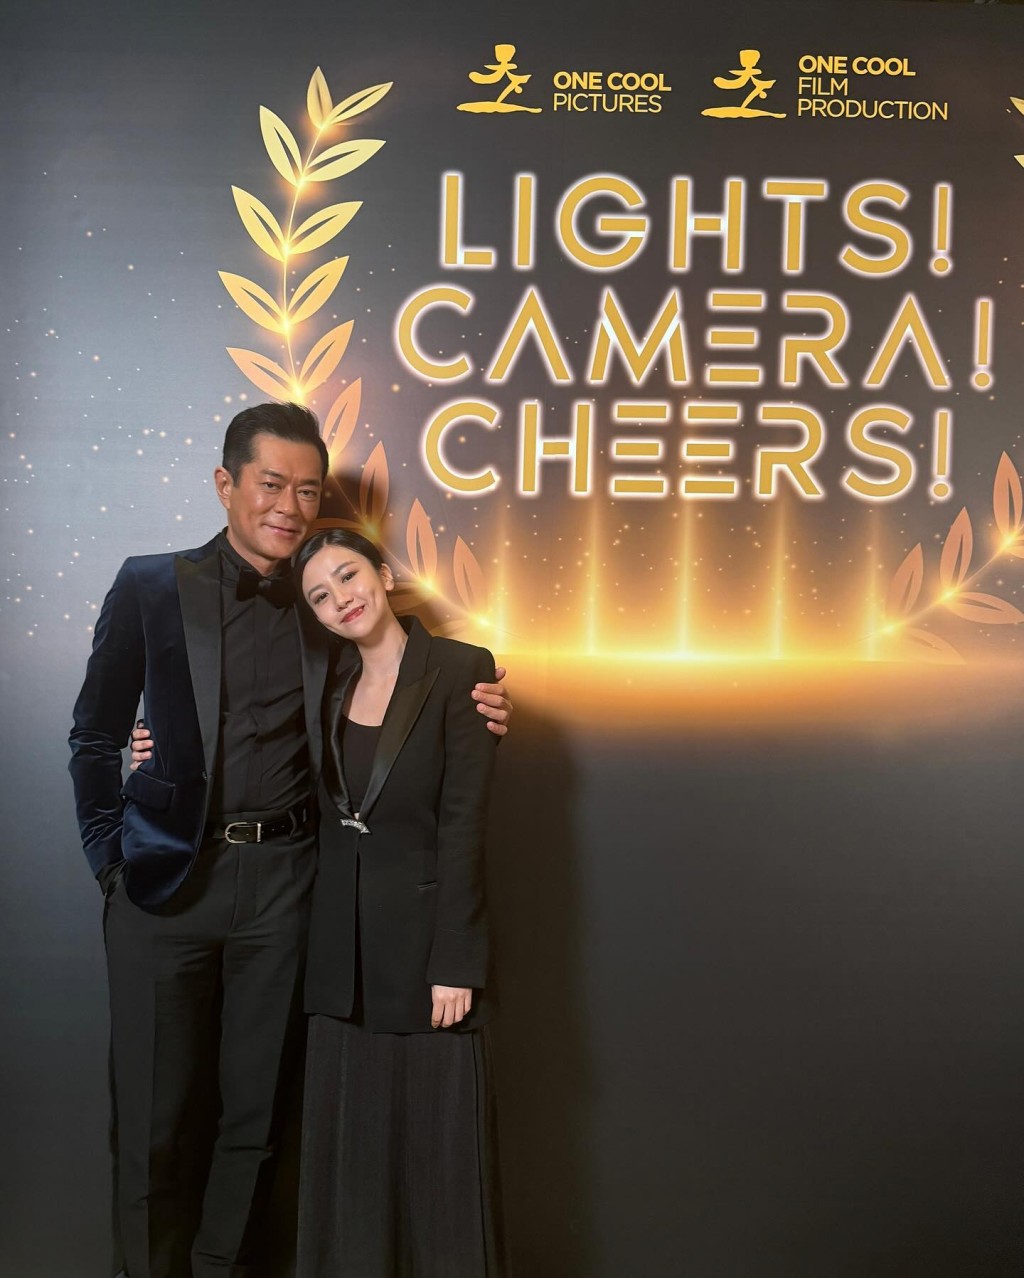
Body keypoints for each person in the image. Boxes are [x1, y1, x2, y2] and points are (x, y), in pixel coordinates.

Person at [69, 401, 511, 1278]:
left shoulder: (324, 600)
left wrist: (483, 698)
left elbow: (401, 672)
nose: (290, 506)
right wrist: (110, 862)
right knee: (154, 1119)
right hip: (165, 885)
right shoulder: (149, 586)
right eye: (272, 485)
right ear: (226, 484)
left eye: (308, 491)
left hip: (287, 888)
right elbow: (94, 735)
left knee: (257, 1119)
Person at [293, 527, 504, 1278]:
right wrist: (147, 740)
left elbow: (464, 825)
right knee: (348, 1169)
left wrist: (456, 961)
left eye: (348, 576)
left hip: (426, 964)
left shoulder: (461, 670)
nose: (340, 599)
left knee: (438, 1171)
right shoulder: (327, 684)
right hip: (340, 966)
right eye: (320, 596)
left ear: (383, 574)